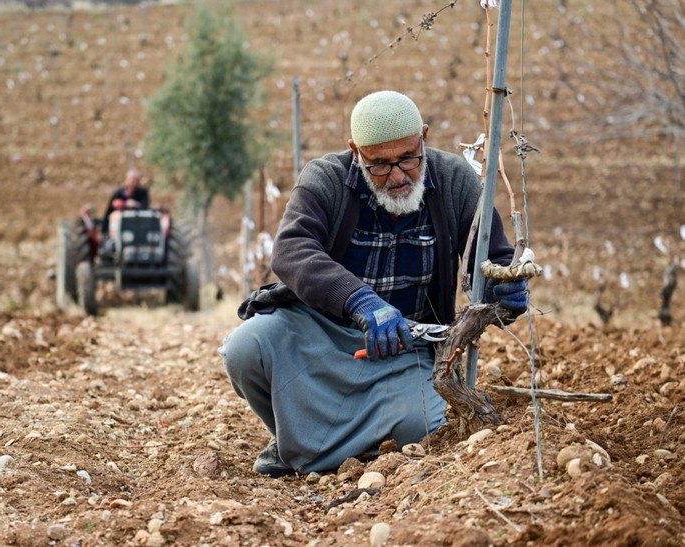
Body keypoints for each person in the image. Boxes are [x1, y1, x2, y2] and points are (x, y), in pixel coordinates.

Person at [219, 90, 528, 477]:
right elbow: (291, 250)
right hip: (322, 333)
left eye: (408, 159)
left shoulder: (454, 181)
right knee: (245, 350)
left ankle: (317, 446)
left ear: (424, 138)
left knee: (425, 428)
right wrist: (360, 301)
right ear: (355, 151)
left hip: (405, 346)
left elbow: (494, 258)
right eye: (379, 164)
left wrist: (506, 288)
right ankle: (290, 441)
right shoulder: (326, 179)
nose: (397, 176)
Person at [101, 169, 151, 236]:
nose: (134, 182)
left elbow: (145, 207)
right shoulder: (118, 193)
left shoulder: (143, 192)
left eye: (136, 180)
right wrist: (103, 230)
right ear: (127, 180)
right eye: (132, 179)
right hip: (120, 226)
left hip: (138, 225)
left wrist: (135, 204)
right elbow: (109, 211)